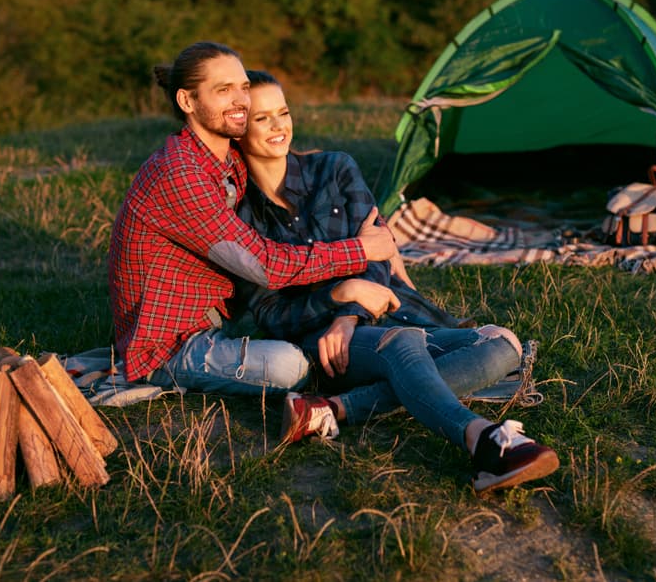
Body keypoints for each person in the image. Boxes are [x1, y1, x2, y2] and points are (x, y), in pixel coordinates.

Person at [231, 70, 559, 493]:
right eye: (262, 118)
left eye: (284, 112)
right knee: (403, 343)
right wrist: (339, 296)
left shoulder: (335, 168)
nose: (279, 126)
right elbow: (271, 313)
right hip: (323, 342)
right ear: (239, 131)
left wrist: (350, 312)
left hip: (383, 309)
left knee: (503, 344)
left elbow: (380, 250)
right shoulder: (241, 216)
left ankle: (331, 409)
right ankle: (483, 440)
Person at [108, 42, 399, 396]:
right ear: (187, 102)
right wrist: (362, 249)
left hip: (224, 319)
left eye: (243, 87)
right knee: (290, 365)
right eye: (223, 90)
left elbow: (277, 156)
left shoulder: (224, 157)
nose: (241, 100)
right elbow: (266, 266)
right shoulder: (180, 174)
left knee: (308, 339)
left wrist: (321, 167)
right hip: (170, 343)